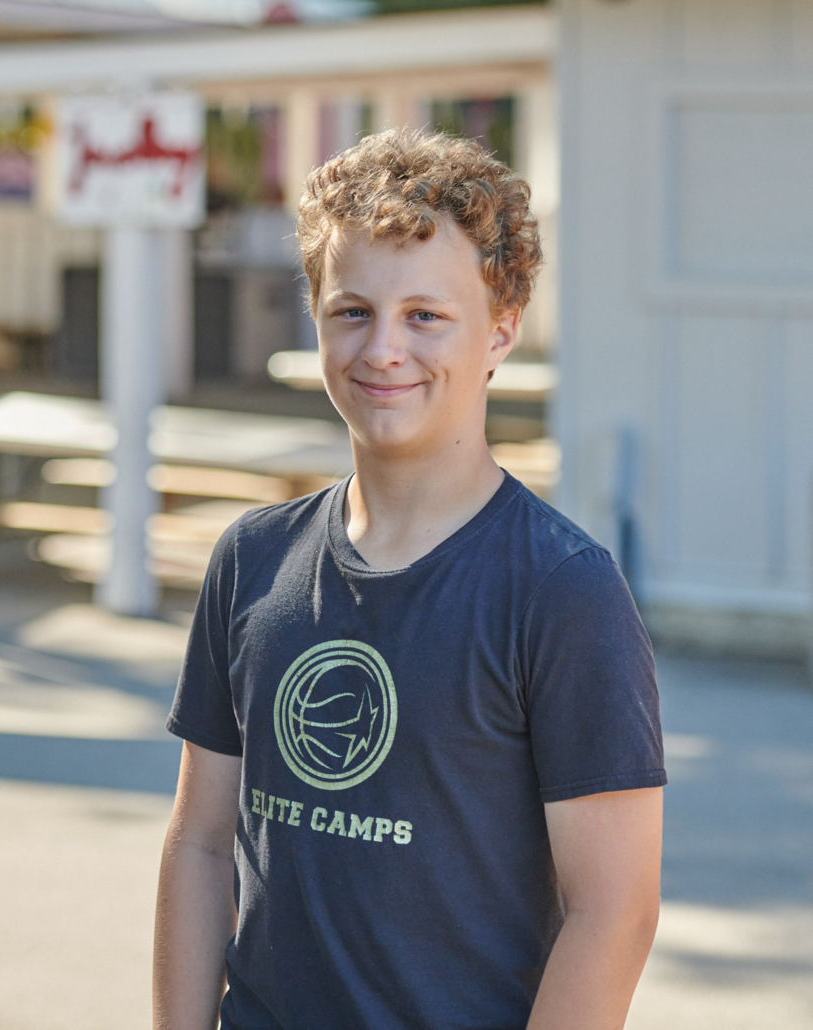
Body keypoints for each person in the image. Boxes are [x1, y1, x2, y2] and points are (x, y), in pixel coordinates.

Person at [153, 128, 666, 1030]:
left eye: (426, 315)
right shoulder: (251, 559)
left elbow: (613, 913)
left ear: (501, 329)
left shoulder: (562, 591)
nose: (384, 349)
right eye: (352, 311)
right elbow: (200, 843)